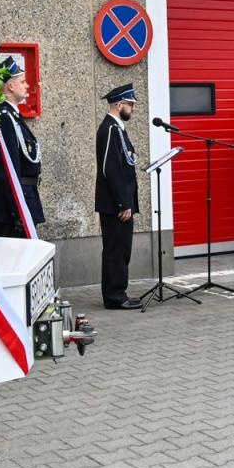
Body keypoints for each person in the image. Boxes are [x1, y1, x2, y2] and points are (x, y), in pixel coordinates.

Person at [95, 83, 143, 309]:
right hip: (115, 204)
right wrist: (123, 203)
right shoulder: (109, 129)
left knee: (122, 249)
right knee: (116, 250)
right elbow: (110, 169)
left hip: (121, 202)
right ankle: (115, 296)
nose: (132, 109)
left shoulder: (118, 129)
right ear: (118, 104)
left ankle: (119, 292)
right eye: (130, 104)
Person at [0, 57, 43, 238]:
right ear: (10, 86)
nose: (27, 86)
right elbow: (7, 168)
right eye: (22, 82)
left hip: (25, 197)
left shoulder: (13, 116)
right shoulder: (4, 117)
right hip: (12, 204)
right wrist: (17, 211)